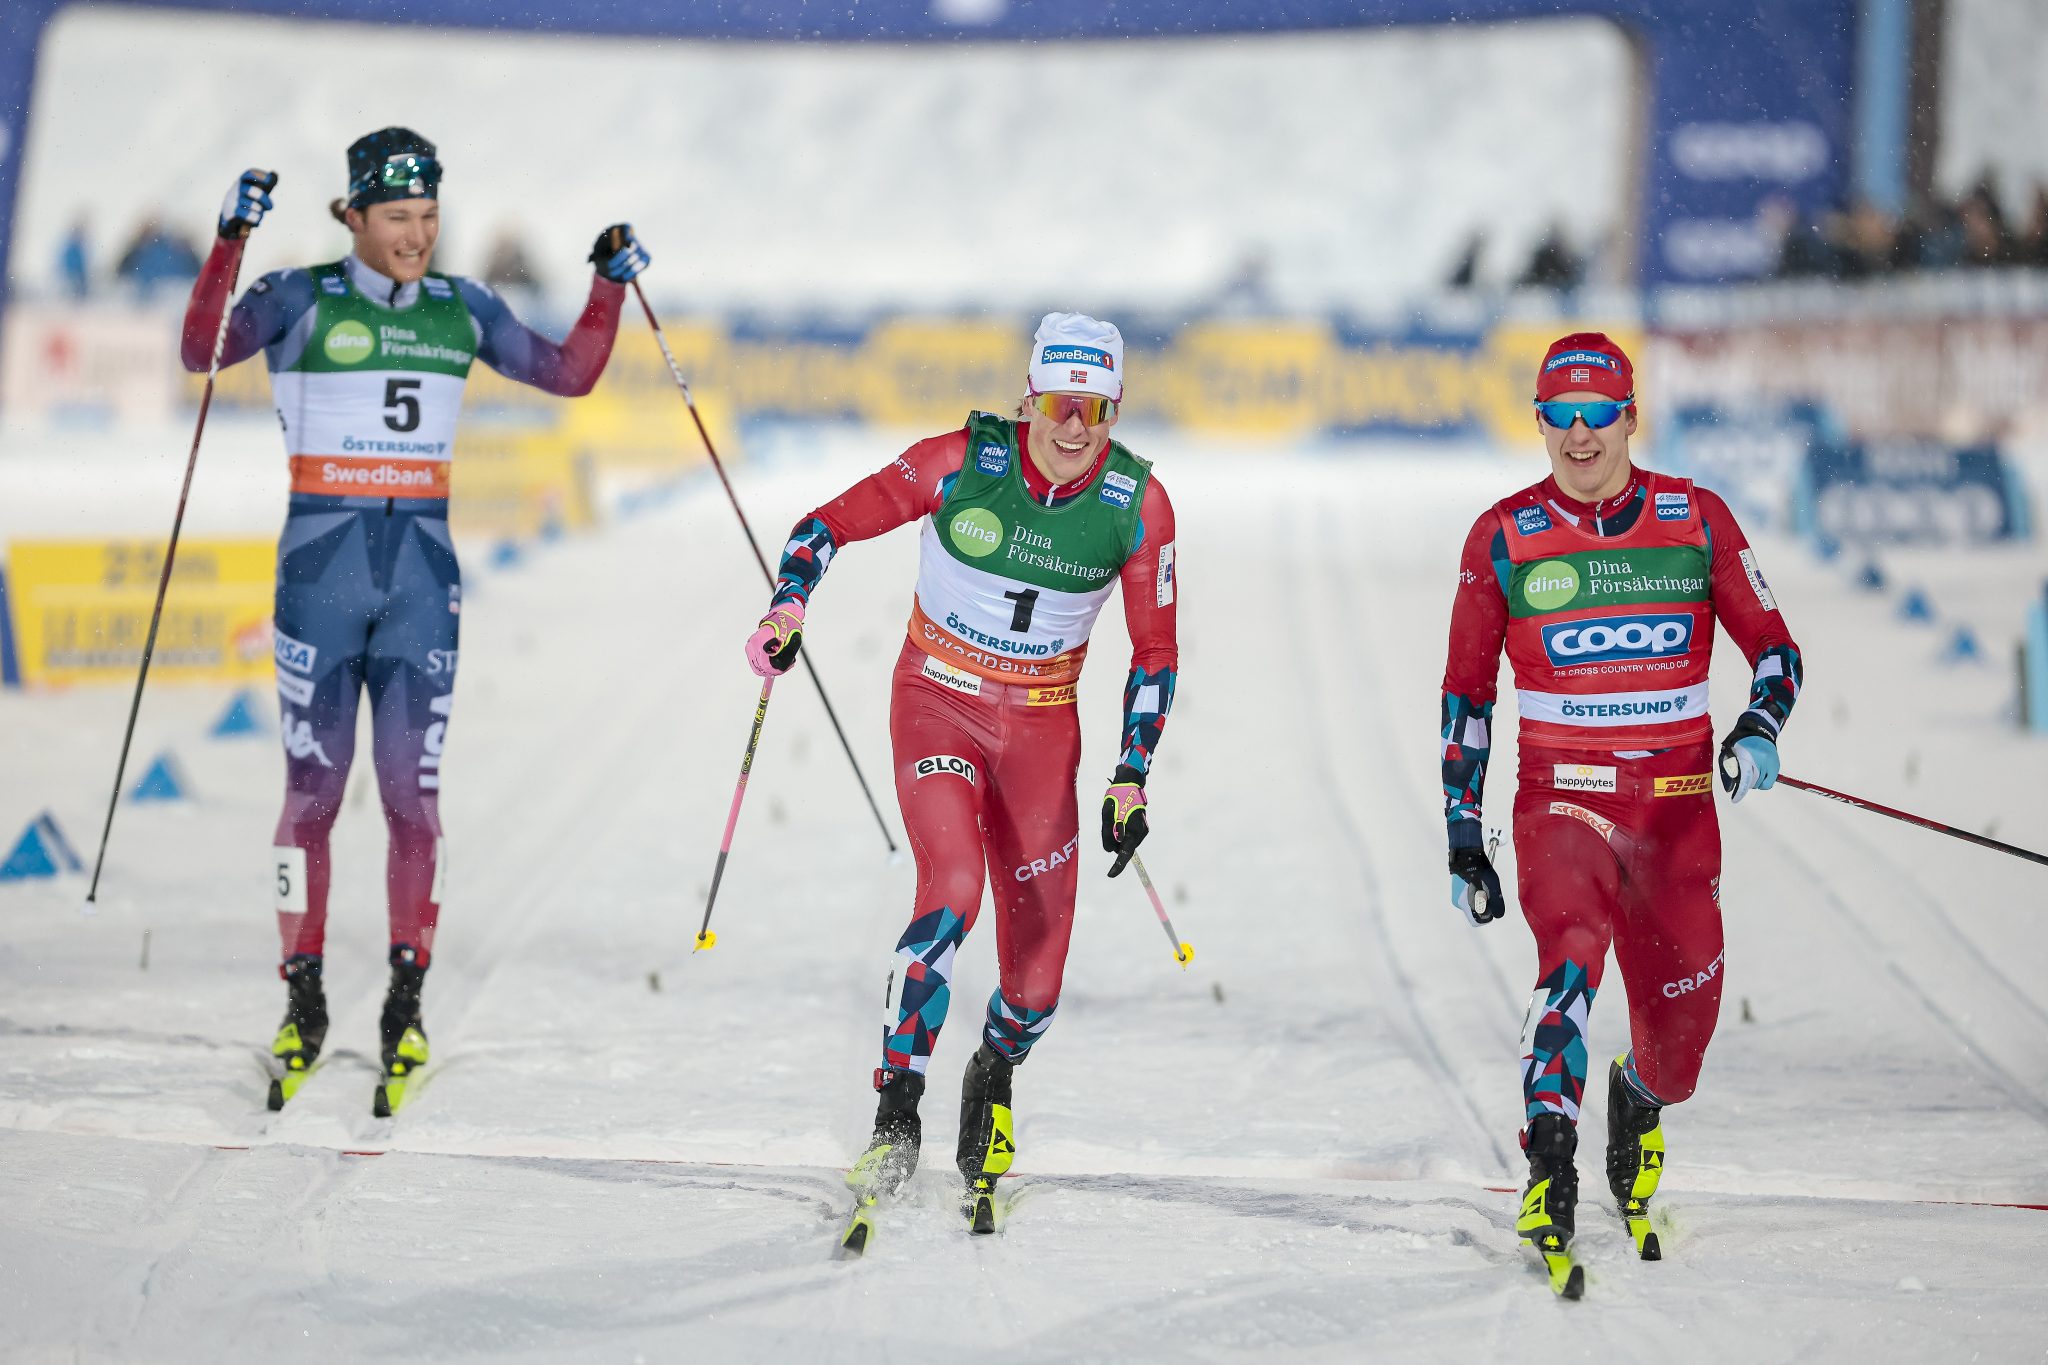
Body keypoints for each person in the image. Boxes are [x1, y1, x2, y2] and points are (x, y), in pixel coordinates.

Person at [179, 128, 650, 1116]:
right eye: (396, 216)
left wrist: (606, 285)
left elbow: (570, 375)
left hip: (421, 589)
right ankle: (301, 1000)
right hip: (319, 580)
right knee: (310, 798)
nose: (416, 235)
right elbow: (200, 351)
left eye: (429, 216)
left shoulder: (460, 307)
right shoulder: (299, 295)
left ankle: (405, 1002)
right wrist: (229, 240)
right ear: (352, 214)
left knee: (410, 802)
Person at [742, 313, 1180, 1231]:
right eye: (1061, 404)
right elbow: (823, 527)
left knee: (1037, 983)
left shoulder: (1140, 504)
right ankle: (896, 1113)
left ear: (1115, 410)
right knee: (951, 887)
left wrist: (1131, 773)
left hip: (1041, 733)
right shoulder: (956, 462)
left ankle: (995, 1069)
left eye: (1096, 410)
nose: (1075, 427)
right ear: (1029, 400)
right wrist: (788, 606)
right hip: (936, 697)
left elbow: (1156, 652)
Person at [1438, 333, 1802, 1287]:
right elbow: (1466, 695)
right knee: (1568, 961)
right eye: (1559, 415)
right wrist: (1460, 830)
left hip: (1678, 812)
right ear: (1540, 421)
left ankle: (1636, 1096)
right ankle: (1548, 1166)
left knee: (1684, 1037)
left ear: (1631, 416)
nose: (1579, 435)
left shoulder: (1696, 518)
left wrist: (1759, 726)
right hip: (1562, 798)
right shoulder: (1504, 535)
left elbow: (1776, 646)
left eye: (1598, 414)